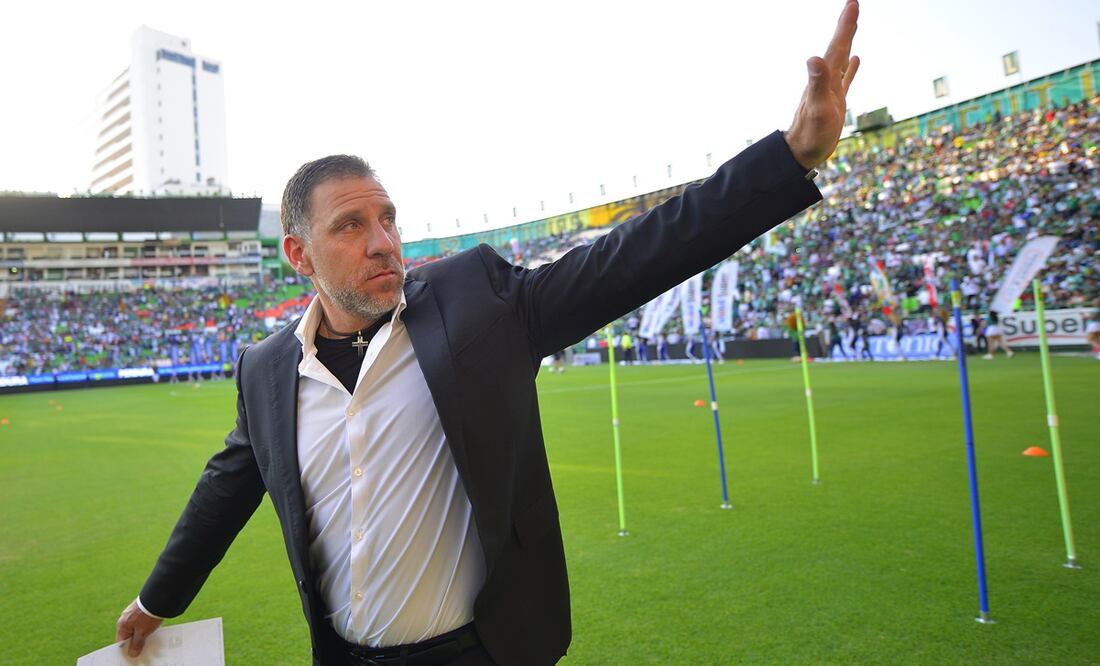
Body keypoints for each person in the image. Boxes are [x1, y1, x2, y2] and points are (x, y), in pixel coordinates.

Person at [114, 3, 862, 664]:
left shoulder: (478, 304)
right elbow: (226, 489)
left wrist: (791, 155)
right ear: (299, 254)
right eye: (350, 226)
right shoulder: (267, 370)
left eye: (387, 219)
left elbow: (634, 256)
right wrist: (156, 600)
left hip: (478, 654)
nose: (383, 243)